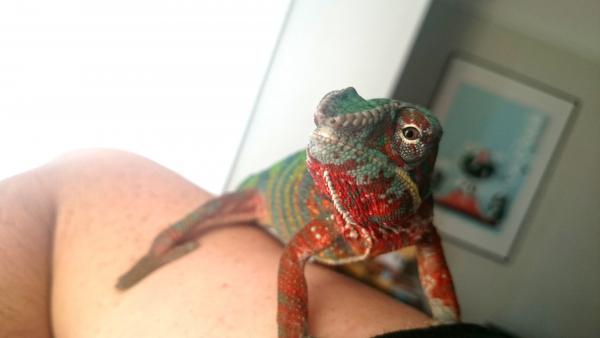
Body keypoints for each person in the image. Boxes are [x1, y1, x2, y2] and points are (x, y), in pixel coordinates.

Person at [0, 149, 509, 338]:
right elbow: (293, 256)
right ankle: (162, 246)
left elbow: (427, 242)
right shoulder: (334, 216)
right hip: (264, 196)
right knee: (203, 215)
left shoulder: (413, 219)